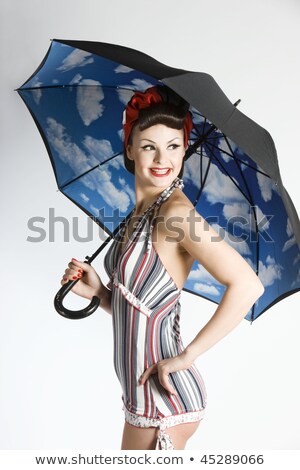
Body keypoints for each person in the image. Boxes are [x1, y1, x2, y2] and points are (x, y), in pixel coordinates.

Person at [60, 85, 265, 450]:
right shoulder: (141, 212)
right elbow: (142, 309)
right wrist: (99, 293)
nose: (162, 158)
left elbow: (248, 286)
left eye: (173, 145)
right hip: (139, 392)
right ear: (129, 148)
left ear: (184, 149)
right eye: (150, 145)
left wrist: (188, 356)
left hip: (162, 396)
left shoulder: (175, 214)